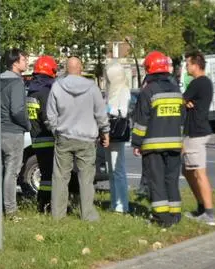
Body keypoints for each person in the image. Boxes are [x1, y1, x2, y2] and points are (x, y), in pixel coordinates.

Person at [46, 56, 110, 221]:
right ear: (81, 68)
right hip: (87, 139)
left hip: (64, 137)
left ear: (67, 69)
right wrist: (105, 131)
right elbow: (101, 113)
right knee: (86, 178)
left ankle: (58, 215)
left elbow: (50, 114)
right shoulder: (92, 88)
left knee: (60, 177)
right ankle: (87, 214)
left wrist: (55, 130)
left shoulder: (57, 86)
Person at [131, 51, 185, 228]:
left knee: (157, 181)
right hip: (175, 144)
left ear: (148, 69)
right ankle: (175, 215)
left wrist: (137, 143)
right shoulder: (176, 90)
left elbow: (141, 121)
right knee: (172, 179)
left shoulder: (148, 91)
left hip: (153, 144)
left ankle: (161, 218)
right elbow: (182, 118)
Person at [0, 48, 31, 216]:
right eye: (24, 60)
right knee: (12, 172)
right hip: (13, 132)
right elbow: (17, 111)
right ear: (15, 63)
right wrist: (27, 125)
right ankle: (10, 210)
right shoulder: (17, 82)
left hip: (1, 132)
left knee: (3, 170)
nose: (27, 62)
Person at [182, 51, 215, 226]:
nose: (186, 66)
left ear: (196, 65)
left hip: (196, 132)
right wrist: (187, 102)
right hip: (195, 131)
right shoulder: (205, 83)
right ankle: (202, 207)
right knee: (187, 170)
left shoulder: (198, 82)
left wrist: (185, 102)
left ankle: (209, 213)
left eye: (188, 63)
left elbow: (181, 99)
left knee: (199, 173)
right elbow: (185, 101)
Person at [25, 55, 58, 213]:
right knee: (49, 176)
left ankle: (42, 203)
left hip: (36, 138)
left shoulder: (32, 91)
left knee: (45, 174)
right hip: (48, 138)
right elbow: (47, 117)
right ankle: (46, 205)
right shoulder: (45, 92)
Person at [105, 63, 131, 213]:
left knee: (118, 169)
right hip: (110, 131)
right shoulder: (112, 91)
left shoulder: (124, 90)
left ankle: (122, 205)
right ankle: (114, 203)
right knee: (111, 170)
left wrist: (108, 109)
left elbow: (124, 112)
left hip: (117, 132)